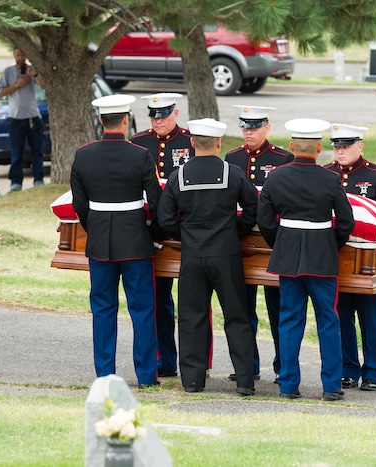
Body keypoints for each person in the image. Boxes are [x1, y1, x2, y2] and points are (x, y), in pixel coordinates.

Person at [158, 118, 259, 396]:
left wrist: (185, 235)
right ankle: (244, 380)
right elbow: (253, 206)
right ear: (218, 142)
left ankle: (192, 381)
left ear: (191, 143)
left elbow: (165, 217)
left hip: (192, 256)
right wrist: (236, 230)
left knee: (191, 318)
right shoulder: (233, 172)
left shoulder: (179, 176)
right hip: (226, 255)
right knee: (237, 317)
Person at [257, 118, 354, 401]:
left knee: (289, 321)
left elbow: (265, 220)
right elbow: (345, 222)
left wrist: (282, 242)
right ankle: (332, 386)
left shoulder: (275, 177)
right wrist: (329, 243)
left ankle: (288, 385)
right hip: (322, 257)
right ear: (319, 148)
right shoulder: (330, 178)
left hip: (288, 256)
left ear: (291, 147)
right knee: (328, 321)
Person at [70, 94, 162, 389]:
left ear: (100, 121)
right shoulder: (140, 155)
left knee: (103, 308)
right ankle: (147, 375)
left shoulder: (83, 155)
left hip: (99, 242)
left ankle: (105, 375)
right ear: (126, 120)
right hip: (135, 240)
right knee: (143, 309)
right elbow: (156, 201)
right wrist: (151, 230)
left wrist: (94, 227)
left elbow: (80, 205)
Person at [324, 123, 376, 392]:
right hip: (337, 259)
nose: (340, 151)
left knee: (370, 319)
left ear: (360, 146)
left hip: (367, 264)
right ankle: (347, 369)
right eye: (336, 146)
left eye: (346, 146)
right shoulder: (325, 174)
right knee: (341, 316)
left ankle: (373, 371)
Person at [225, 105, 294, 384]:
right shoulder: (231, 158)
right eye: (245, 127)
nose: (248, 132)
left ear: (267, 127)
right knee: (242, 309)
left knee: (278, 310)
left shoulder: (283, 157)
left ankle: (283, 365)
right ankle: (247, 365)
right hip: (241, 241)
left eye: (254, 127)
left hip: (273, 242)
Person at [130, 92, 193, 378]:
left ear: (176, 113)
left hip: (185, 229)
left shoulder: (190, 141)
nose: (158, 122)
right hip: (150, 230)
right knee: (157, 299)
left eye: (164, 116)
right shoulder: (139, 142)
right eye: (154, 117)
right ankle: (164, 359)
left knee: (192, 301)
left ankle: (195, 363)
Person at [0, 47, 45, 191]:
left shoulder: (32, 69)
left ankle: (38, 179)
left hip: (32, 117)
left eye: (23, 54)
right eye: (18, 55)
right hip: (16, 118)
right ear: (14, 55)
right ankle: (16, 182)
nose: (20, 57)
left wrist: (35, 75)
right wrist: (17, 85)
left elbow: (44, 86)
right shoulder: (8, 72)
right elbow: (1, 93)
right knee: (16, 152)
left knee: (37, 151)